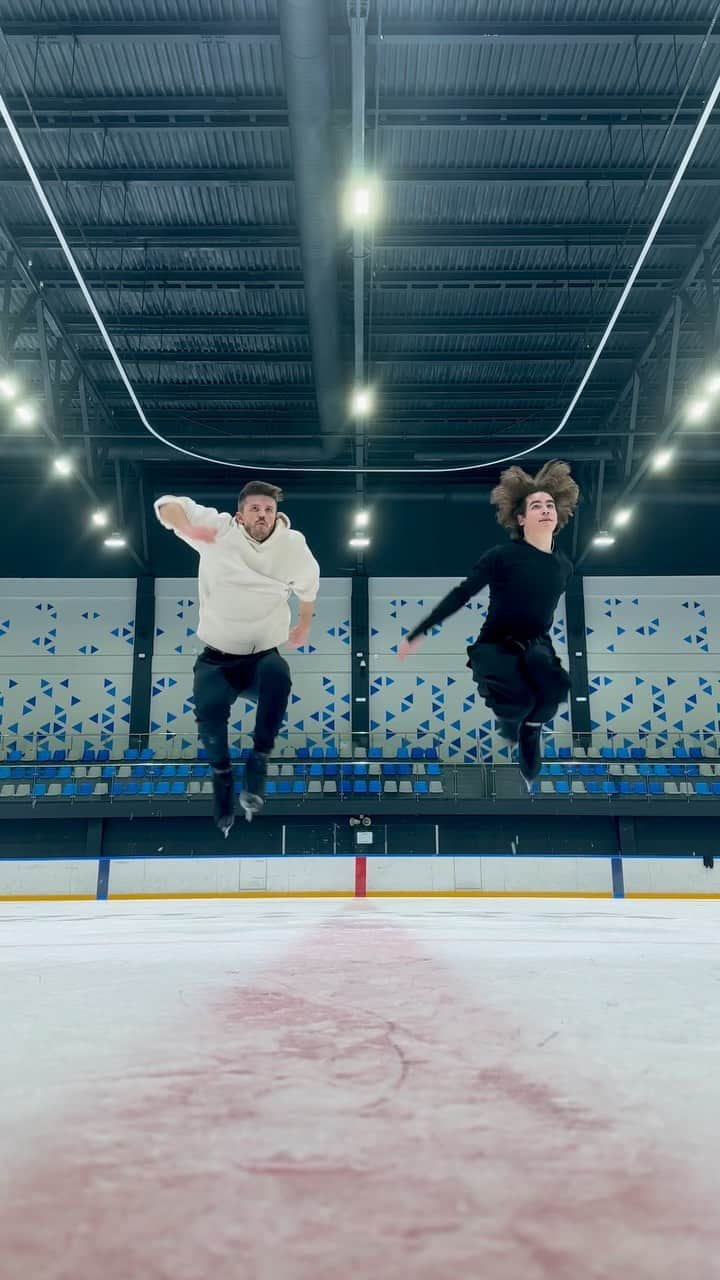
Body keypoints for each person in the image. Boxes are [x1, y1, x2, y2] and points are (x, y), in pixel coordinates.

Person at [399, 460, 579, 786]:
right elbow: (463, 593)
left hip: (537, 643)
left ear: (558, 514)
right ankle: (510, 720)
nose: (545, 510)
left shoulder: (564, 564)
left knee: (555, 691)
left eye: (550, 505)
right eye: (536, 505)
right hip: (496, 645)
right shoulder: (502, 556)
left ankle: (530, 732)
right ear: (521, 518)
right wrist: (420, 630)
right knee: (519, 702)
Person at [155, 481, 320, 832]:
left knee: (280, 676)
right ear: (240, 515)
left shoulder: (293, 545)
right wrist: (187, 526)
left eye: (268, 510)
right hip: (216, 660)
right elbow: (168, 503)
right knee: (210, 716)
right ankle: (223, 779)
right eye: (255, 509)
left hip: (262, 657)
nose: (263, 515)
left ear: (276, 515)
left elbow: (309, 587)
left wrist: (305, 622)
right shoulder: (219, 531)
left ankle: (259, 760)